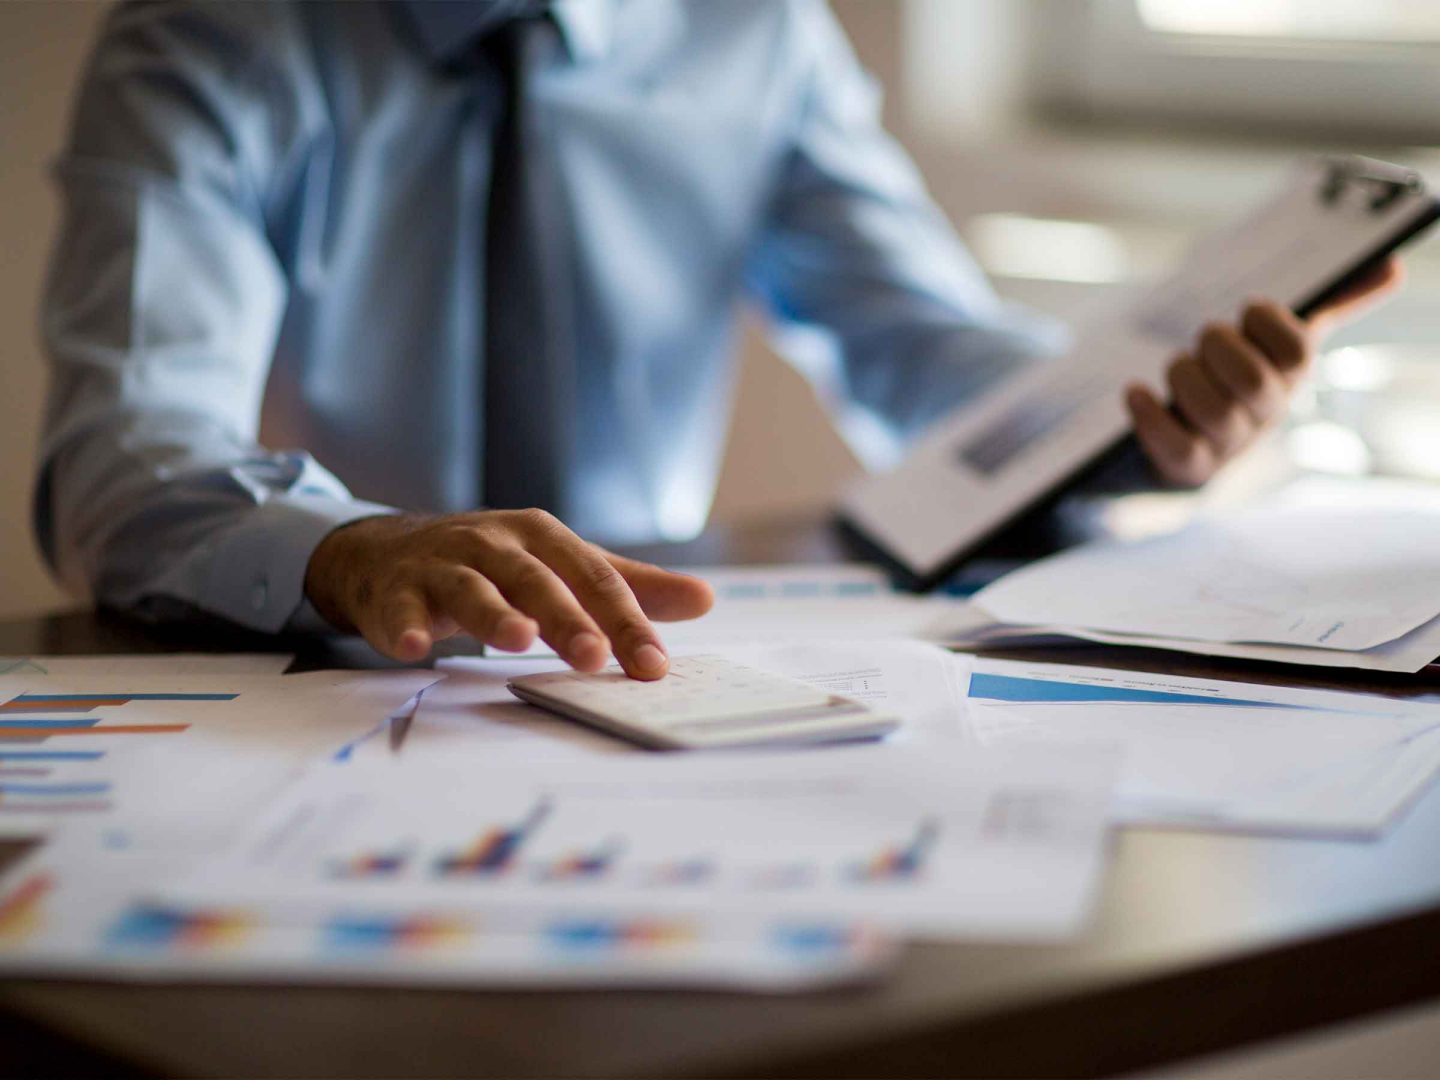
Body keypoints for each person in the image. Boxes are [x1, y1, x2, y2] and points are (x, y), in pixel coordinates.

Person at [35, 0, 1400, 680]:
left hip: (655, 673)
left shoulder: (758, 30)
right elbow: (125, 454)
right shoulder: (208, 38)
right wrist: (347, 545)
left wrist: (1133, 424)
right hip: (334, 669)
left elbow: (922, 349)